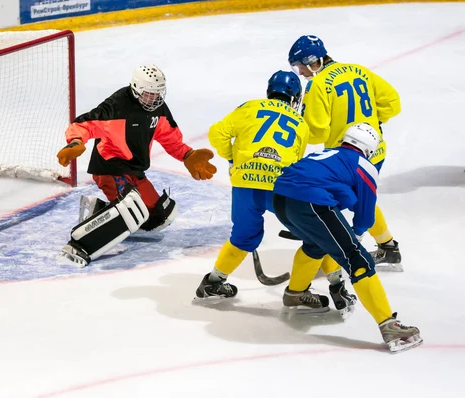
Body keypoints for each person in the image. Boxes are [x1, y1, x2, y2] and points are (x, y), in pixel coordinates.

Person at [272, 123, 422, 353]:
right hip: (310, 201)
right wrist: (356, 236)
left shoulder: (325, 154)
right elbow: (365, 216)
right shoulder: (364, 165)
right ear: (369, 149)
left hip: (281, 199)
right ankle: (389, 325)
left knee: (315, 245)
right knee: (358, 259)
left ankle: (296, 293)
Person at [56, 64, 217, 267]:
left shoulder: (158, 108)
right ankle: (78, 246)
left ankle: (98, 210)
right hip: (109, 166)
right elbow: (83, 125)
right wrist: (76, 141)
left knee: (159, 217)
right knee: (131, 208)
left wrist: (187, 155)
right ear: (136, 89)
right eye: (150, 94)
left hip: (134, 169)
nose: (155, 99)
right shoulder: (117, 105)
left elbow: (169, 137)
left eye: (158, 94)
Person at [288, 35, 403, 272]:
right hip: (375, 150)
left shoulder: (317, 85)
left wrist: (298, 127)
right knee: (361, 197)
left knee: (336, 200)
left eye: (300, 66)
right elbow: (393, 103)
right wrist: (370, 122)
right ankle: (387, 246)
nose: (299, 72)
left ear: (312, 62)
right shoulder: (359, 71)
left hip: (346, 159)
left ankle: (336, 248)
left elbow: (318, 132)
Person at [195, 70, 313, 298]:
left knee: (243, 236)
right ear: (295, 97)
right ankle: (318, 288)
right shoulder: (301, 123)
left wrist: (232, 158)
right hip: (279, 185)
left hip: (245, 181)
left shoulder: (249, 107)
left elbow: (216, 133)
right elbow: (297, 162)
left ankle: (214, 281)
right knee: (316, 235)